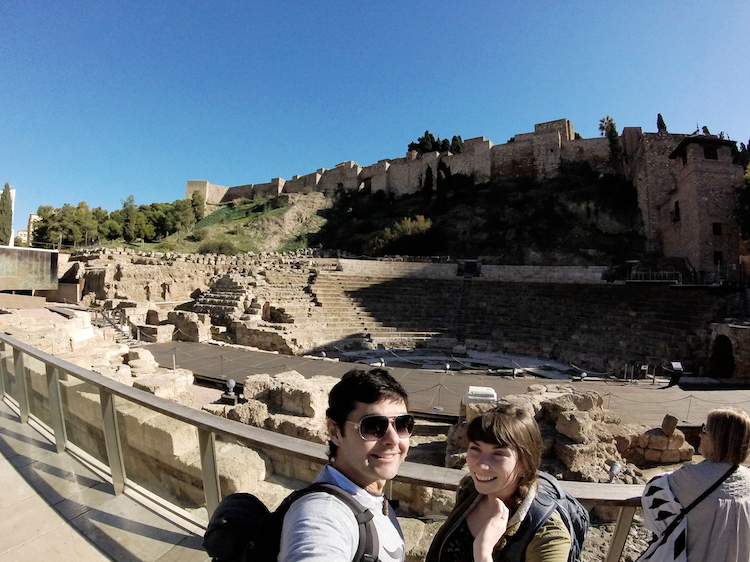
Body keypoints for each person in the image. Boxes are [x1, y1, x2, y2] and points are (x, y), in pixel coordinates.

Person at [279, 368, 414, 562]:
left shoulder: (371, 496)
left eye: (402, 424)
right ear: (335, 432)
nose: (393, 439)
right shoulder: (324, 514)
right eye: (373, 426)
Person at [426, 404, 571, 562]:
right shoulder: (470, 491)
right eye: (475, 449)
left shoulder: (548, 535)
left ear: (526, 464)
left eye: (498, 453)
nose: (481, 465)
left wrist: (483, 552)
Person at [640, 406, 750, 561]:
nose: (700, 434)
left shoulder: (688, 477)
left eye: (705, 429)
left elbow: (652, 494)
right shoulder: (747, 479)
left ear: (718, 439)